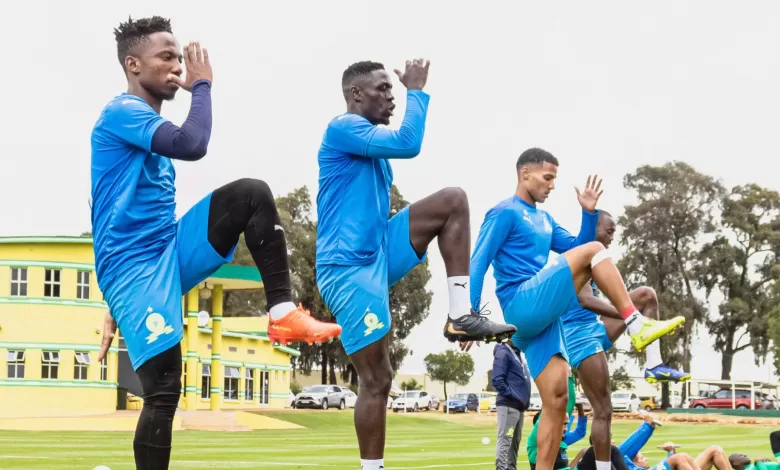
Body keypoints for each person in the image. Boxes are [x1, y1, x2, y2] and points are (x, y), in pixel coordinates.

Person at [91, 16, 341, 470]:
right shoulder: (122, 113)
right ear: (132, 64)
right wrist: (203, 87)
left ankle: (282, 312)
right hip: (134, 270)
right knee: (165, 386)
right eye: (165, 58)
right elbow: (193, 143)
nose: (176, 67)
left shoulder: (144, 127)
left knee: (251, 194)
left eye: (179, 58)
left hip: (166, 249)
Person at [315, 59, 516, 470]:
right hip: (346, 268)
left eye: (393, 90)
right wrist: (417, 91)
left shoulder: (369, 144)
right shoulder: (342, 127)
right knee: (378, 379)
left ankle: (460, 313)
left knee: (453, 200)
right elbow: (409, 142)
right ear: (356, 94)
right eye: (382, 90)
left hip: (378, 251)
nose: (391, 97)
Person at [470, 148, 683, 470]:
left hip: (541, 324)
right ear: (524, 173)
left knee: (558, 402)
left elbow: (578, 249)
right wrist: (467, 314)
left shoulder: (544, 219)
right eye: (547, 177)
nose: (552, 185)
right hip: (520, 302)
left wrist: (588, 214)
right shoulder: (505, 212)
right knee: (597, 249)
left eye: (555, 178)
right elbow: (479, 259)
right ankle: (635, 322)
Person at [562, 210, 688, 468]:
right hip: (579, 338)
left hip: (594, 328)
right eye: (608, 232)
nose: (612, 237)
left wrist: (631, 314)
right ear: (593, 229)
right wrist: (629, 316)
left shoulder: (596, 260)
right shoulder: (578, 254)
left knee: (646, 295)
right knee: (604, 411)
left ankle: (654, 365)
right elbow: (586, 300)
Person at [527, 375, 588, 470]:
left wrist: (569, 377)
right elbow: (548, 409)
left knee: (588, 452)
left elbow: (569, 402)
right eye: (563, 424)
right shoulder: (535, 442)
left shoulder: (561, 441)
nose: (566, 429)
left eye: (565, 424)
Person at [492, 340, 532, 470]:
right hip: (509, 405)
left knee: (514, 443)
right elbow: (497, 380)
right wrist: (514, 395)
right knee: (505, 441)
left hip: (519, 407)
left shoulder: (517, 353)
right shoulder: (503, 352)